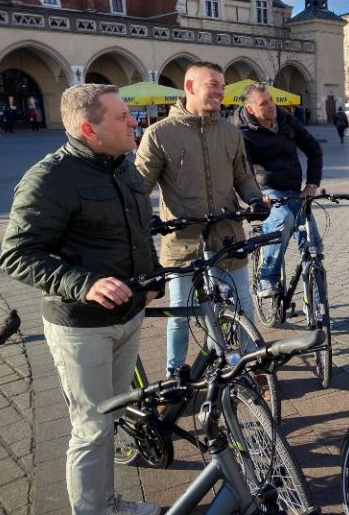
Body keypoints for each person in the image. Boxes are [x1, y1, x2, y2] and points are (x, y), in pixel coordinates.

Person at [0, 84, 161, 515]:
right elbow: (16, 255)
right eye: (122, 117)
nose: (134, 121)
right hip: (81, 326)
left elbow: (138, 227)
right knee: (92, 427)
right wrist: (84, 283)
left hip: (128, 316)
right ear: (89, 128)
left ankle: (107, 502)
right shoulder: (51, 177)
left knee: (111, 419)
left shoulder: (123, 166)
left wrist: (153, 272)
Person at [135, 62, 263, 376]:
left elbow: (243, 177)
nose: (220, 91)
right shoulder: (159, 134)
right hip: (182, 243)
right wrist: (144, 218)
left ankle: (249, 367)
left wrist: (256, 198)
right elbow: (138, 187)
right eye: (213, 84)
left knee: (242, 308)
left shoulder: (231, 132)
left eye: (222, 85)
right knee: (179, 315)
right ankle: (173, 374)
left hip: (228, 239)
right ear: (190, 86)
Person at [234, 82, 323, 298]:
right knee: (282, 219)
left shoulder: (286, 121)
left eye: (271, 100)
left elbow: (314, 149)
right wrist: (256, 195)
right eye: (264, 103)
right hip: (268, 190)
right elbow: (242, 169)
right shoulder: (242, 132)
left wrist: (311, 184)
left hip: (295, 190)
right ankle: (267, 278)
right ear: (250, 109)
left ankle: (317, 305)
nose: (271, 106)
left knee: (314, 247)